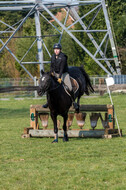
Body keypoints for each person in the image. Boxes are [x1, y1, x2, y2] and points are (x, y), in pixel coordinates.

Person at [43, 43, 78, 109]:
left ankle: (74, 102)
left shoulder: (63, 57)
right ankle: (48, 102)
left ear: (60, 50)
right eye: (55, 49)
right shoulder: (53, 57)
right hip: (55, 73)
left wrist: (59, 78)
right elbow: (51, 66)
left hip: (64, 74)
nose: (56, 51)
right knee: (49, 87)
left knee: (69, 87)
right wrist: (51, 74)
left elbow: (62, 68)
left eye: (58, 49)